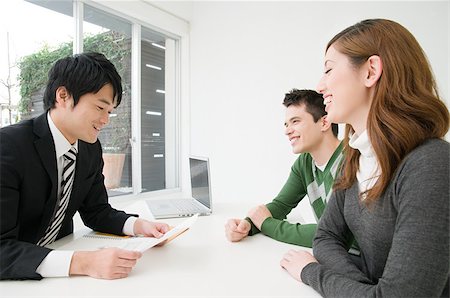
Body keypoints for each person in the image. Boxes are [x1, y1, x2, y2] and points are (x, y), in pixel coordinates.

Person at [280, 19, 449, 297]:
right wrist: (365, 290)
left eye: (328, 69)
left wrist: (312, 272)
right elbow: (325, 238)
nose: (320, 86)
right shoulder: (354, 157)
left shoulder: (431, 165)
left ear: (370, 71)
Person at [0, 52, 170, 280]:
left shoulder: (89, 148)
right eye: (100, 108)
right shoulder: (9, 146)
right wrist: (84, 262)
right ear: (63, 96)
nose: (105, 120)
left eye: (110, 111)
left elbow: (96, 211)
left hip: (59, 264)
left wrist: (139, 226)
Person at [225, 89, 344, 248]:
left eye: (295, 121)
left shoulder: (350, 161)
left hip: (358, 263)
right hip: (331, 255)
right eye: (286, 124)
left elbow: (333, 233)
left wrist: (267, 224)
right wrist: (247, 225)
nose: (287, 131)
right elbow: (281, 205)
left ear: (324, 122)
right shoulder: (305, 163)